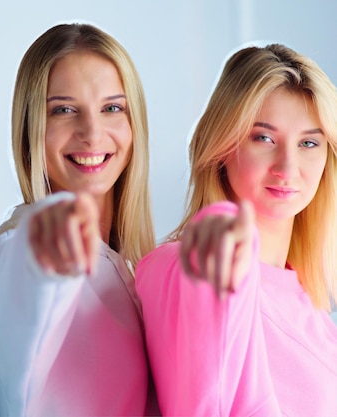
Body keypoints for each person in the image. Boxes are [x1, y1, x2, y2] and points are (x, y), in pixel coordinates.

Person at [136, 43, 337, 415]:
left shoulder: (313, 303)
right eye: (263, 138)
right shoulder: (184, 267)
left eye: (309, 143)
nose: (287, 166)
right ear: (223, 147)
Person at [0, 23, 158, 416]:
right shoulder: (18, 247)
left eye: (112, 108)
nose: (92, 133)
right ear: (30, 131)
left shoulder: (132, 266)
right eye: (64, 110)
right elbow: (30, 282)